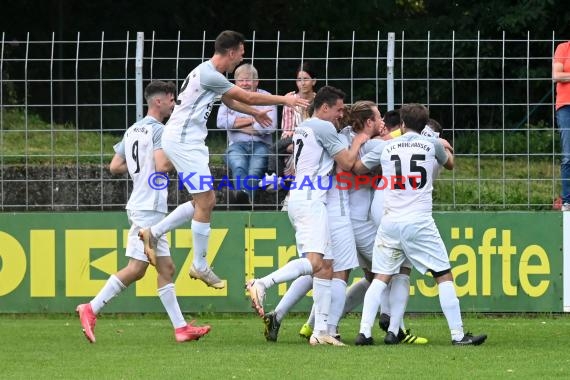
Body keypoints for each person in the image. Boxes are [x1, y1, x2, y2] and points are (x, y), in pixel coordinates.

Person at [138, 31, 309, 289]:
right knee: (207, 200)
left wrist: (254, 113)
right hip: (183, 140)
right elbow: (247, 96)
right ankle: (199, 264)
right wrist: (284, 99)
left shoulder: (209, 74)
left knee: (201, 201)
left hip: (189, 141)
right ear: (231, 52)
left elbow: (231, 100)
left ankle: (155, 233)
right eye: (241, 53)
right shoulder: (208, 74)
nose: (241, 58)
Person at [76, 81, 211, 343]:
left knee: (166, 268)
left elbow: (115, 166)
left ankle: (181, 328)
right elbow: (161, 165)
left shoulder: (132, 129)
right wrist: (187, 158)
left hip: (141, 202)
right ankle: (91, 308)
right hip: (148, 207)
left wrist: (141, 169)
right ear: (158, 102)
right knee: (137, 268)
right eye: (172, 99)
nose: (174, 104)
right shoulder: (160, 131)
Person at [353, 103, 487, 346]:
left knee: (380, 277)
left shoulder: (387, 146)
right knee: (443, 275)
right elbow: (450, 163)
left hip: (390, 220)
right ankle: (458, 335)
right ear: (425, 125)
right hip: (419, 221)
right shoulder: (431, 144)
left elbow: (360, 167)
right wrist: (443, 145)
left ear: (402, 123)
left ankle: (365, 333)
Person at [246, 86, 368, 346]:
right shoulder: (323, 127)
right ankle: (262, 283)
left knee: (326, 266)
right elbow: (347, 163)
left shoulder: (306, 126)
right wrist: (361, 137)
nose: (340, 114)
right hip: (311, 200)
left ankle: (321, 331)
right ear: (324, 107)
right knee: (315, 263)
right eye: (337, 109)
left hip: (305, 197)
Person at [216, 63, 277, 203]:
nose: (244, 84)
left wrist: (235, 125)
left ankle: (242, 198)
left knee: (255, 169)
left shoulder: (267, 98)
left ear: (256, 81)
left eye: (248, 80)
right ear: (235, 82)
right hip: (236, 145)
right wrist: (254, 117)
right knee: (238, 164)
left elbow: (269, 127)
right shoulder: (229, 98)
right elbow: (220, 122)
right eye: (241, 80)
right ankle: (246, 199)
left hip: (262, 145)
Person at [553, 41, 570, 211]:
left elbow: (563, 75)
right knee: (568, 155)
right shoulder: (563, 48)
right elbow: (556, 75)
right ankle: (567, 201)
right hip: (566, 107)